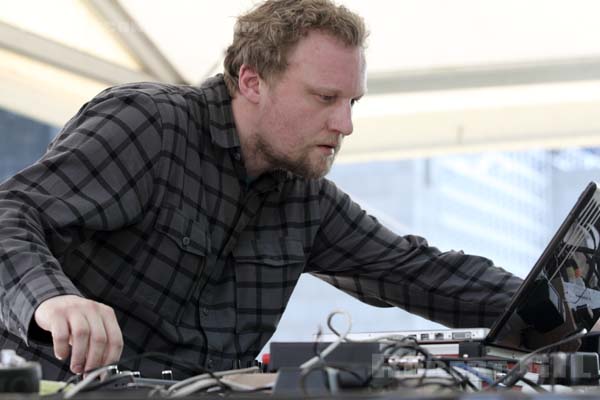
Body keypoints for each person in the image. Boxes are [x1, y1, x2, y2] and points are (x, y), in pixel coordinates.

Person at [0, 0, 521, 380]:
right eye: (325, 97)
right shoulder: (150, 123)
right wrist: (52, 299)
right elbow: (11, 214)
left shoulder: (305, 196)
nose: (344, 124)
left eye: (352, 102)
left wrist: (560, 309)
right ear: (251, 82)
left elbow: (422, 273)